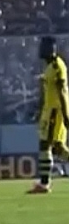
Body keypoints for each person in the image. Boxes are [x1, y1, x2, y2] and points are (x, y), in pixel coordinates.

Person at [29, 36, 69, 194]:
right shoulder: (49, 67)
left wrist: (66, 115)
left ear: (50, 49)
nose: (40, 50)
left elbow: (61, 92)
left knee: (45, 144)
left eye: (43, 47)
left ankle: (44, 184)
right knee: (58, 148)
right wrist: (40, 110)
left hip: (55, 111)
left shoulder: (57, 66)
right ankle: (44, 183)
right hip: (49, 110)